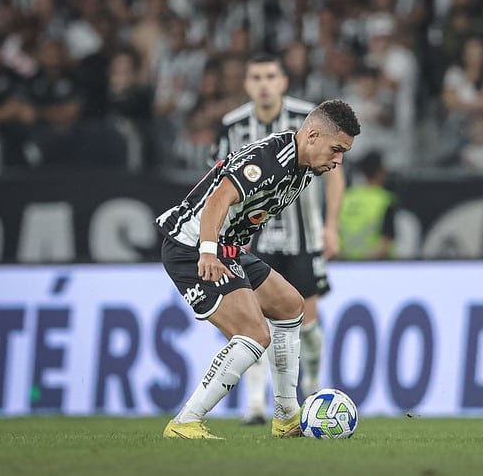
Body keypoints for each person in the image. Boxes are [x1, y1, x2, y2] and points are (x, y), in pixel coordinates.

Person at [157, 99, 360, 439]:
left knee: (289, 305)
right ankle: (184, 422)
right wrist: (207, 252)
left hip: (227, 248)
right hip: (192, 246)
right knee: (254, 334)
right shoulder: (270, 159)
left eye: (344, 154)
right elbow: (218, 199)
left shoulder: (304, 165)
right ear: (312, 135)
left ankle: (286, 416)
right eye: (336, 149)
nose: (338, 161)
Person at [212, 53, 346, 425]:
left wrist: (331, 226)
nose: (264, 84)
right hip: (252, 241)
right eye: (256, 77)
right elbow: (218, 181)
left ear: (284, 81)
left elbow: (335, 175)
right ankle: (255, 404)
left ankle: (314, 389)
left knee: (308, 325)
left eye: (271, 76)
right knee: (253, 320)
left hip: (304, 238)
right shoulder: (232, 125)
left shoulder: (310, 120)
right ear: (247, 83)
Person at [339, 151, 398, 260]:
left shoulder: (345, 197)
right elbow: (386, 242)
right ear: (381, 172)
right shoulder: (385, 200)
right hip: (373, 266)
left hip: (344, 264)